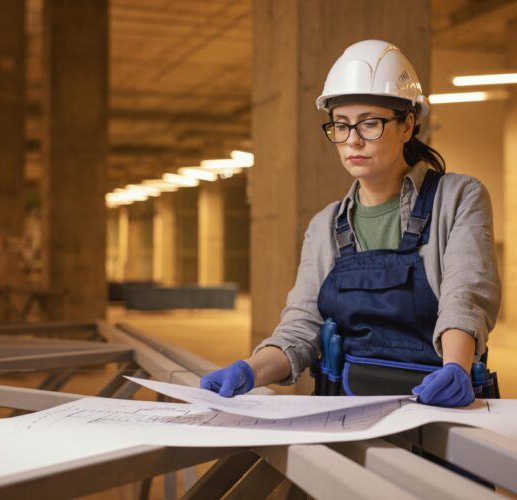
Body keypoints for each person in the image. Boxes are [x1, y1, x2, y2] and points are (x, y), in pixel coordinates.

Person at [201, 40, 501, 407]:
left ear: (407, 125)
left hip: (437, 406)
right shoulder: (325, 226)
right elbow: (302, 327)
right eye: (341, 126)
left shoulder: (457, 198)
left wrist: (456, 367)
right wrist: (249, 370)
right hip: (344, 411)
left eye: (369, 124)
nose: (352, 140)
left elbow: (465, 297)